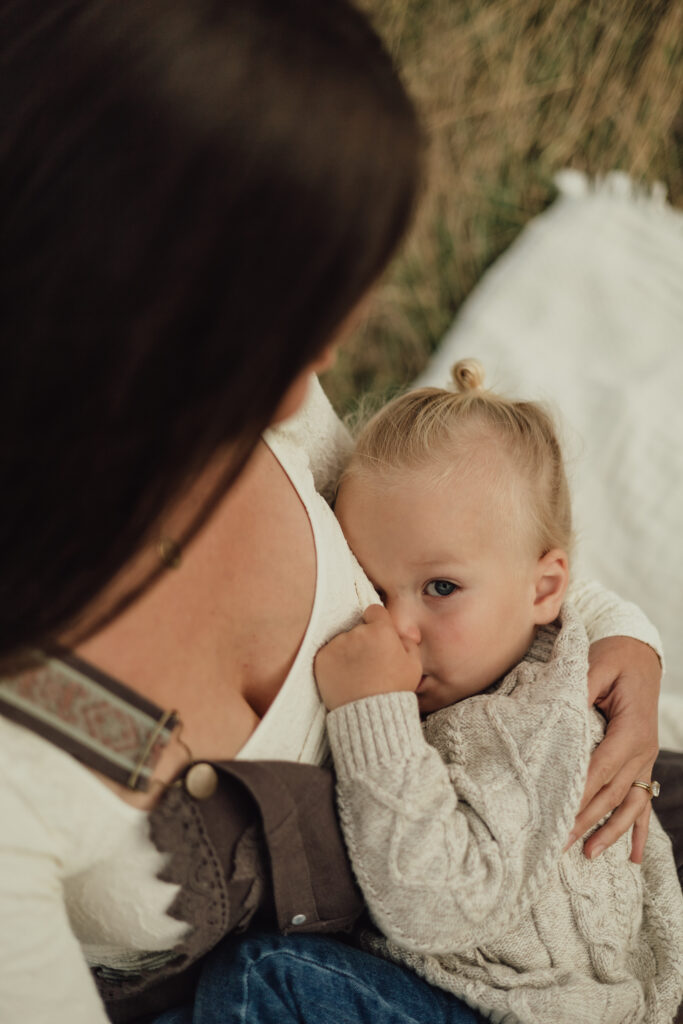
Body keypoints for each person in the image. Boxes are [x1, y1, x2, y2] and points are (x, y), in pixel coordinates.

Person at [0, 2, 677, 1023]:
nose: (310, 384)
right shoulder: (22, 770)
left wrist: (618, 633)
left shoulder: (241, 415)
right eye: (288, 332)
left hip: (575, 864)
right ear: (123, 310)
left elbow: (459, 533)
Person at [311, 360, 683, 1023]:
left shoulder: (521, 726)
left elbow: (435, 908)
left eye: (441, 589)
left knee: (261, 980)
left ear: (543, 591)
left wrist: (373, 715)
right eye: (370, 589)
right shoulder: (491, 659)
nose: (395, 627)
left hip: (529, 1008)